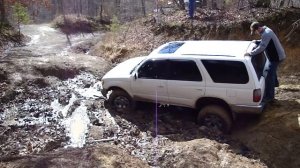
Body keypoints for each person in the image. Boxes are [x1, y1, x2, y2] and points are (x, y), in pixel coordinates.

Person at [245, 22, 286, 103]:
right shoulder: (266, 30)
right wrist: (257, 41)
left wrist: (251, 53)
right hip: (275, 56)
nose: (256, 33)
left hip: (276, 58)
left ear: (259, 28)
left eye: (255, 31)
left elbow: (262, 47)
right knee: (272, 72)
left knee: (269, 76)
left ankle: (270, 97)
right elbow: (264, 41)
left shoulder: (266, 34)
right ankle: (275, 85)